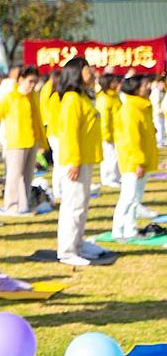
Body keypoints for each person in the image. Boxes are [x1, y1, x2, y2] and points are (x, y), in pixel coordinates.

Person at [0, 67, 46, 215]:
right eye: (30, 81)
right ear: (20, 80)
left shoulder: (33, 96)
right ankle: (12, 204)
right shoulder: (10, 97)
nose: (32, 85)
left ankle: (24, 204)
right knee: (14, 175)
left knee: (28, 174)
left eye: (35, 82)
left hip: (32, 140)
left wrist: (43, 141)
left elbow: (38, 119)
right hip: (16, 141)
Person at [55, 57, 101, 266]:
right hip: (75, 160)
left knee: (81, 205)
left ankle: (78, 244)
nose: (91, 71)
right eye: (86, 68)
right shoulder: (72, 99)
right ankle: (67, 250)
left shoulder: (83, 96)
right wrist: (74, 160)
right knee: (73, 206)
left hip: (84, 158)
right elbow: (69, 133)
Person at [112, 75, 158, 239]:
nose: (148, 87)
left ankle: (130, 230)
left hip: (141, 161)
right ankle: (118, 230)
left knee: (135, 198)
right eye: (145, 84)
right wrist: (138, 162)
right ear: (135, 89)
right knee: (128, 197)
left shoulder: (142, 107)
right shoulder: (130, 109)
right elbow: (132, 139)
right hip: (133, 162)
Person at [95, 72, 122, 188]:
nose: (117, 84)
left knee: (115, 156)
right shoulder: (104, 98)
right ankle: (108, 179)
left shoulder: (115, 96)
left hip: (117, 132)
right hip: (108, 134)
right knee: (109, 157)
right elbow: (104, 119)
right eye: (114, 82)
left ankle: (115, 177)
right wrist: (106, 135)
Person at [42, 69, 64, 199]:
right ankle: (58, 190)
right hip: (57, 133)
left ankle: (59, 189)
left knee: (59, 162)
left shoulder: (54, 94)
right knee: (59, 163)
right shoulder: (56, 97)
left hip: (55, 132)